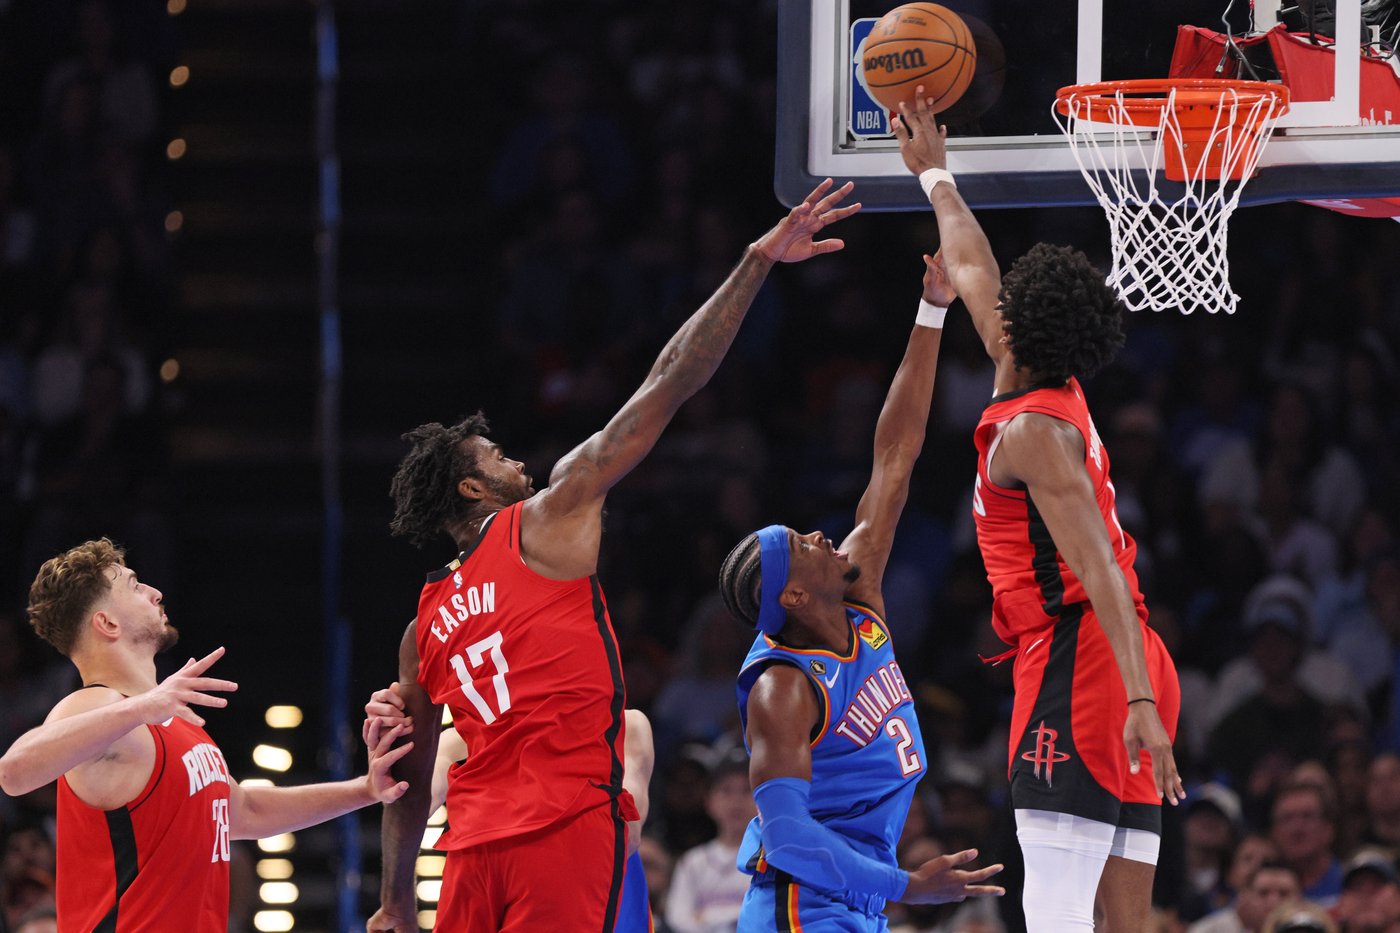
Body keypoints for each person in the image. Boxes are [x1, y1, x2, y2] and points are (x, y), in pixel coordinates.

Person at [368, 178, 861, 933]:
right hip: (562, 828)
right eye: (495, 455)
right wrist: (756, 262)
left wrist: (396, 898)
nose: (516, 464)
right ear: (472, 485)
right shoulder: (543, 519)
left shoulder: (422, 624)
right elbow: (668, 383)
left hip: (468, 850)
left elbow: (406, 778)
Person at [892, 89, 1185, 933]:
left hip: (1086, 661)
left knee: (1056, 913)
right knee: (1119, 922)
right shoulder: (1038, 382)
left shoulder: (1032, 434)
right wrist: (936, 175)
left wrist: (1134, 701)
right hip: (1120, 657)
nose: (995, 300)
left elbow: (1096, 565)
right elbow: (973, 265)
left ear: (1017, 326)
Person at [717, 252, 1004, 930]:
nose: (822, 535)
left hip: (854, 889)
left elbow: (894, 457)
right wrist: (906, 883)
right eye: (803, 543)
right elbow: (786, 836)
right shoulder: (781, 688)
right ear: (790, 597)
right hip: (804, 902)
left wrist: (931, 309)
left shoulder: (858, 597)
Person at [0, 538, 412, 932]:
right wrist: (143, 706)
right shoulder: (97, 704)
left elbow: (245, 811)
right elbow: (14, 772)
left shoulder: (172, 722)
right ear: (107, 623)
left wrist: (365, 789)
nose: (155, 592)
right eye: (134, 585)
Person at [418, 707, 658, 933]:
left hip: (593, 887)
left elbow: (627, 834)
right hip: (489, 881)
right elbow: (413, 803)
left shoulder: (624, 724)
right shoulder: (463, 738)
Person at [664, 752, 754, 933]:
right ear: (710, 802)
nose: (736, 801)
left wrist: (706, 916)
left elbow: (766, 915)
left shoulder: (769, 859)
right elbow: (678, 918)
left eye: (746, 790)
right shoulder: (693, 861)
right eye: (726, 790)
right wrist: (732, 918)